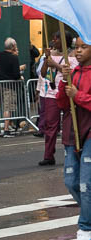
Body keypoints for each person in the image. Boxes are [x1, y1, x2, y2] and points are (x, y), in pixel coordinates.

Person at [57, 37, 91, 240]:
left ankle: (85, 227)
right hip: (72, 133)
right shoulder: (73, 72)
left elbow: (81, 99)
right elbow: (61, 103)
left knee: (86, 185)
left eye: (83, 47)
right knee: (71, 181)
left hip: (89, 133)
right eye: (76, 47)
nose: (78, 51)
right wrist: (64, 82)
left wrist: (78, 95)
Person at [39, 31, 78, 165]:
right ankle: (48, 155)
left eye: (56, 39)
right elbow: (43, 74)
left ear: (63, 40)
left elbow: (71, 74)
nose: (53, 41)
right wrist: (46, 60)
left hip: (66, 92)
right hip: (51, 93)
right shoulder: (51, 55)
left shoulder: (73, 55)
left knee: (71, 123)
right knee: (51, 125)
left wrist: (54, 65)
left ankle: (75, 150)